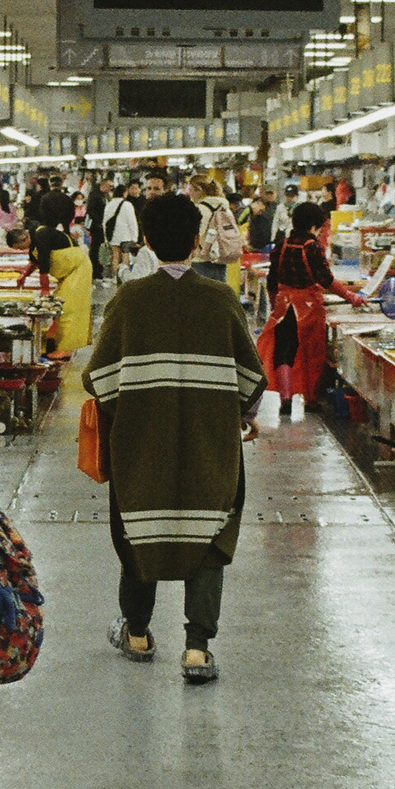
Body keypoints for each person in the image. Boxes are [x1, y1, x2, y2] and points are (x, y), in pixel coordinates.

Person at [85, 194, 264, 684]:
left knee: (138, 529)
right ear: (195, 241)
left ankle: (138, 634)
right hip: (212, 443)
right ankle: (197, 650)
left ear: (145, 239)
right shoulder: (222, 299)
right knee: (210, 535)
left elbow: (97, 376)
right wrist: (242, 413)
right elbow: (252, 377)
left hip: (141, 443)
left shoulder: (130, 299)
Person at [256, 202, 364, 421]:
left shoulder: (281, 245)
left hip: (283, 307)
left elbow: (272, 279)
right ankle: (311, 400)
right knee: (312, 354)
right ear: (314, 225)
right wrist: (351, 297)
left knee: (283, 352)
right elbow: (326, 280)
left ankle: (285, 399)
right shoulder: (312, 247)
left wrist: (274, 304)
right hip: (308, 308)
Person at [27, 222, 92, 356]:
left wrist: (45, 290)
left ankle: (65, 349)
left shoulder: (41, 237)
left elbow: (43, 265)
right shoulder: (35, 240)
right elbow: (35, 262)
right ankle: (57, 342)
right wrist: (23, 277)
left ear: (23, 239)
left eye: (18, 246)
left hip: (78, 269)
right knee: (61, 305)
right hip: (67, 275)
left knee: (67, 308)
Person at [188, 176, 246, 285]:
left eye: (190, 190)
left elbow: (195, 235)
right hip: (221, 259)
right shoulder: (225, 208)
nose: (189, 194)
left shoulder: (201, 209)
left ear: (198, 190)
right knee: (219, 296)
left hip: (201, 262)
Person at [102, 182, 143, 276]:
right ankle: (124, 278)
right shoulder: (127, 205)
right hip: (126, 236)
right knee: (125, 258)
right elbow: (132, 222)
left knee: (115, 258)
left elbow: (105, 222)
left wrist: (106, 238)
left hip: (113, 236)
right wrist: (135, 237)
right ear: (124, 193)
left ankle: (115, 277)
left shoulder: (109, 204)